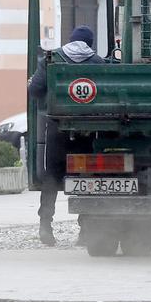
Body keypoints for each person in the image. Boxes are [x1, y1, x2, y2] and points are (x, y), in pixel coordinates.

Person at [27, 25, 106, 246]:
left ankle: (45, 226)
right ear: (89, 43)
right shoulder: (98, 62)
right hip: (88, 130)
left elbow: (35, 90)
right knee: (86, 178)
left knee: (51, 176)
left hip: (57, 127)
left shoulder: (52, 59)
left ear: (70, 40)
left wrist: (46, 102)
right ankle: (85, 231)